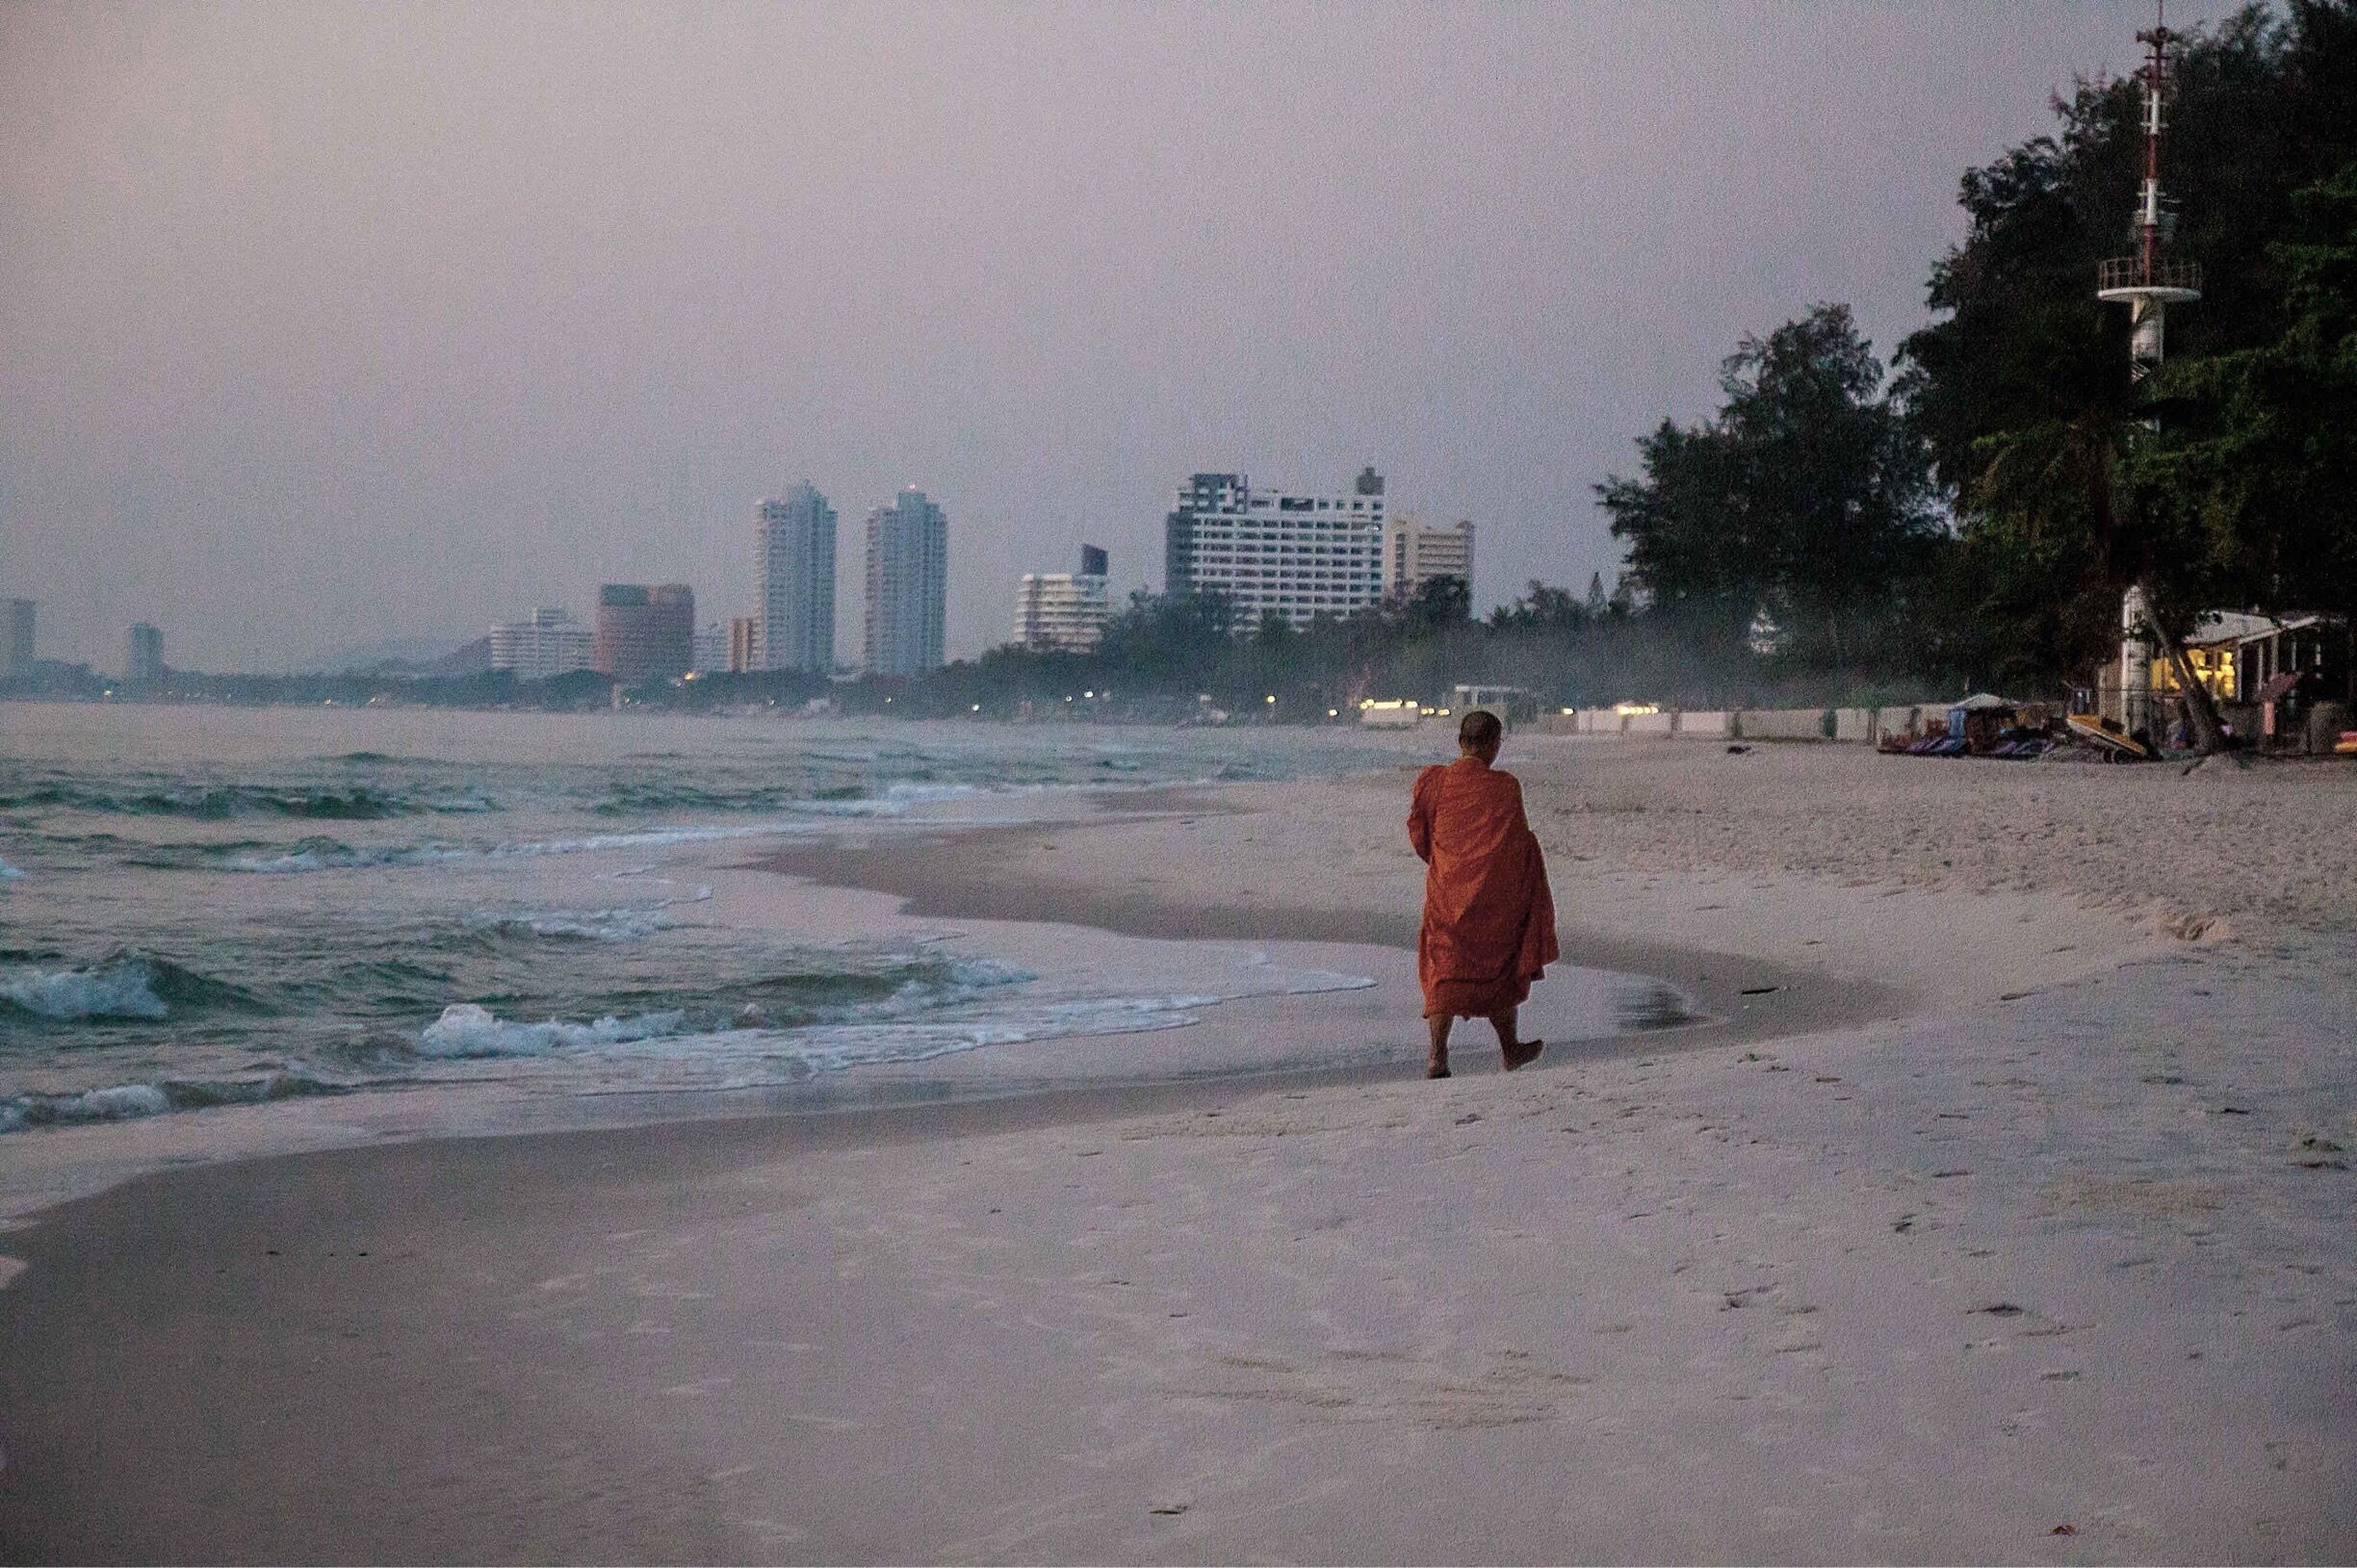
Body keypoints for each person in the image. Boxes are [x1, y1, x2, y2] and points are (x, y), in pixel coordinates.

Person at [1407, 708, 1559, 1078]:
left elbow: (1419, 832)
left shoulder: (1434, 781)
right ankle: (1510, 1048)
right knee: (1500, 969)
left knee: (1444, 970)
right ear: (1494, 746)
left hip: (1448, 892)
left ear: (1461, 743)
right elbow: (1517, 844)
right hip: (1495, 897)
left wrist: (1445, 861)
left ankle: (1437, 1057)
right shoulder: (1506, 786)